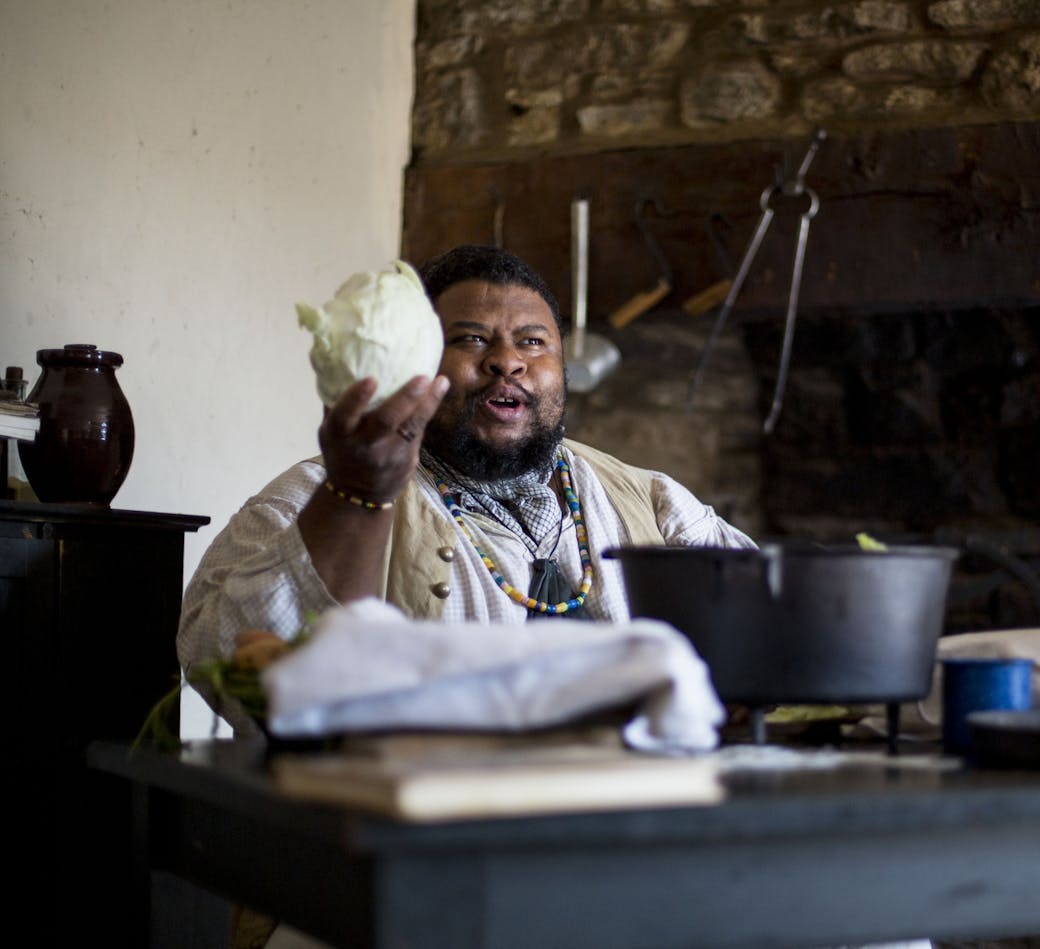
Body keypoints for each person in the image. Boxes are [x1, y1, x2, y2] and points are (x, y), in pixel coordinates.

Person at [178, 244, 756, 733]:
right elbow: (217, 655)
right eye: (473, 339)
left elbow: (765, 624)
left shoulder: (649, 499)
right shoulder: (320, 492)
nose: (507, 362)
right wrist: (356, 498)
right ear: (419, 361)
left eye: (533, 342)